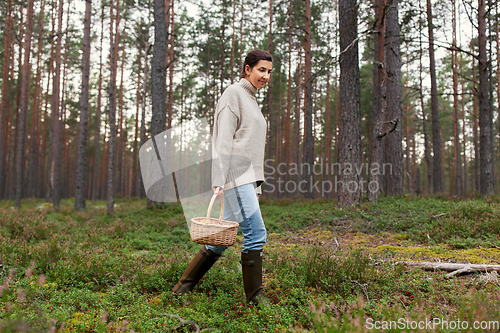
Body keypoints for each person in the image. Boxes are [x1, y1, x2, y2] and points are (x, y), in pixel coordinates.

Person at [172, 49, 272, 307]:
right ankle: (255, 299)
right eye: (261, 70)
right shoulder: (233, 94)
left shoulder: (251, 99)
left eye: (269, 72)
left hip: (247, 179)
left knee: (220, 239)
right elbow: (223, 140)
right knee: (256, 233)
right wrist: (219, 178)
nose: (266, 76)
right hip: (235, 175)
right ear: (247, 69)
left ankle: (182, 289)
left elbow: (250, 146)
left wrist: (256, 184)